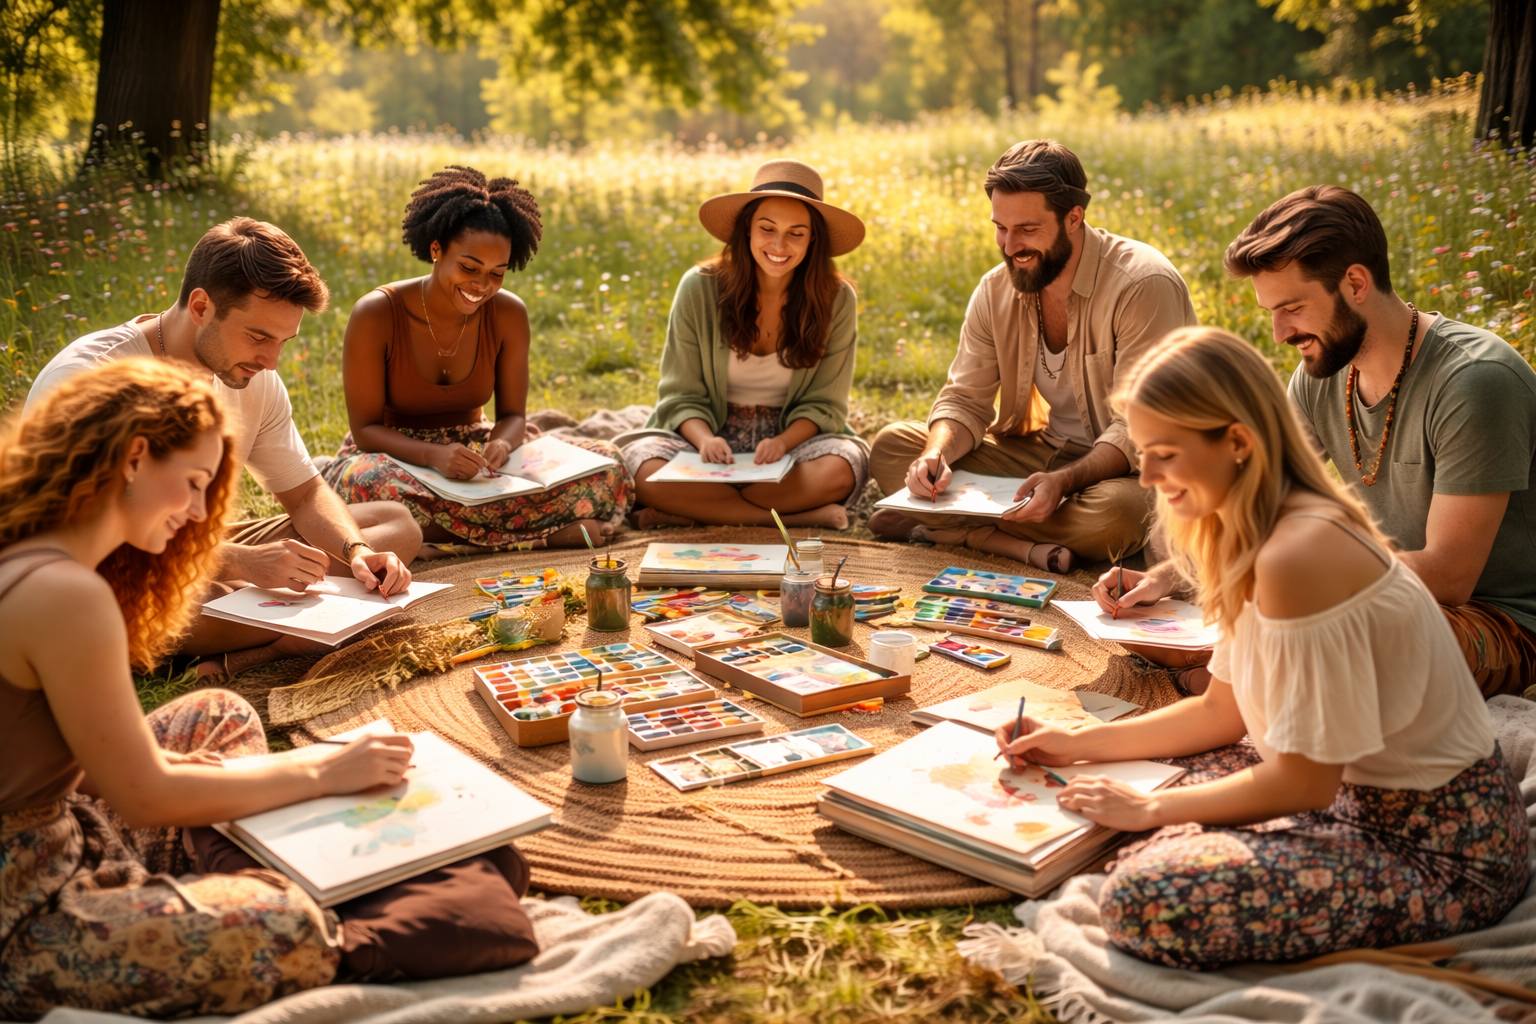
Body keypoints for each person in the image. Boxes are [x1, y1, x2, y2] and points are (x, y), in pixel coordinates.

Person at [0, 361, 537, 1020]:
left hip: (69, 822)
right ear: (134, 457)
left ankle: (238, 852)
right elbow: (141, 794)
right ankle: (278, 878)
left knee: (217, 715)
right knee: (284, 923)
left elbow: (80, 763)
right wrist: (319, 770)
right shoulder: (65, 593)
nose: (199, 514)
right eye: (195, 485)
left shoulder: (46, 556)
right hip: (27, 907)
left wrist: (175, 766)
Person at [997, 326, 1526, 970]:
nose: (1145, 474)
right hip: (1348, 793)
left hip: (1436, 844)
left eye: (1164, 452)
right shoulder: (1257, 531)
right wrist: (1071, 743)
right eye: (1142, 452)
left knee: (1143, 896)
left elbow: (1303, 781)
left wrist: (1153, 808)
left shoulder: (1297, 553)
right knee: (1107, 793)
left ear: (1238, 443)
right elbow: (1223, 715)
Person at [26, 217, 421, 681]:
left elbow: (304, 493)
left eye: (282, 342)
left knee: (394, 527)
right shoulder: (92, 379)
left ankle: (260, 622)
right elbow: (88, 526)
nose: (271, 361)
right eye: (258, 337)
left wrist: (354, 551)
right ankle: (272, 634)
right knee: (176, 600)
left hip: (196, 544)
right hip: (102, 567)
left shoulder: (255, 378)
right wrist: (240, 561)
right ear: (200, 305)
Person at [867, 139, 1197, 573]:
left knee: (1117, 515)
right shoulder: (996, 288)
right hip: (1041, 454)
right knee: (893, 447)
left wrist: (1063, 483)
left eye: (1027, 229)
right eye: (1000, 228)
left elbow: (1142, 428)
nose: (1009, 246)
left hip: (1132, 472)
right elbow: (965, 399)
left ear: (1073, 218)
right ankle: (1001, 533)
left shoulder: (1142, 284)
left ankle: (954, 529)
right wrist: (937, 454)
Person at [323, 166, 633, 550]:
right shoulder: (376, 314)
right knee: (369, 486)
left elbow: (514, 417)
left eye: (497, 274)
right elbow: (366, 430)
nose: (482, 286)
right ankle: (538, 536)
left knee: (608, 464)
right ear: (436, 249)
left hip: (476, 457)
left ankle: (447, 539)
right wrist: (433, 456)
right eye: (469, 268)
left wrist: (501, 445)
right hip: (394, 456)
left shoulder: (508, 314)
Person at [617, 158, 868, 530]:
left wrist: (782, 442)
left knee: (843, 467)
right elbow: (679, 395)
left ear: (813, 238)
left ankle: (699, 510)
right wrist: (703, 441)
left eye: (796, 233)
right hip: (708, 434)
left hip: (791, 440)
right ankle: (791, 519)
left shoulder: (837, 298)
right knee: (640, 465)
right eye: (767, 229)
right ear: (746, 229)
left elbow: (826, 406)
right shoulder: (699, 288)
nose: (779, 245)